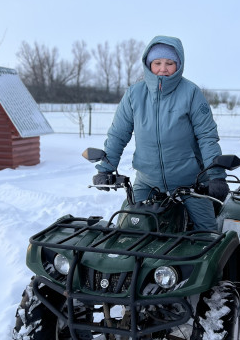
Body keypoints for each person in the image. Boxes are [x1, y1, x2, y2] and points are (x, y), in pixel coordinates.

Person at [92, 35, 229, 231]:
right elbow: (118, 134)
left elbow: (207, 136)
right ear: (149, 64)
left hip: (190, 183)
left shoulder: (191, 93)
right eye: (157, 63)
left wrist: (216, 176)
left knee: (206, 235)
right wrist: (105, 169)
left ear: (178, 65)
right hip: (147, 181)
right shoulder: (134, 94)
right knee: (131, 230)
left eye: (169, 63)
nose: (163, 68)